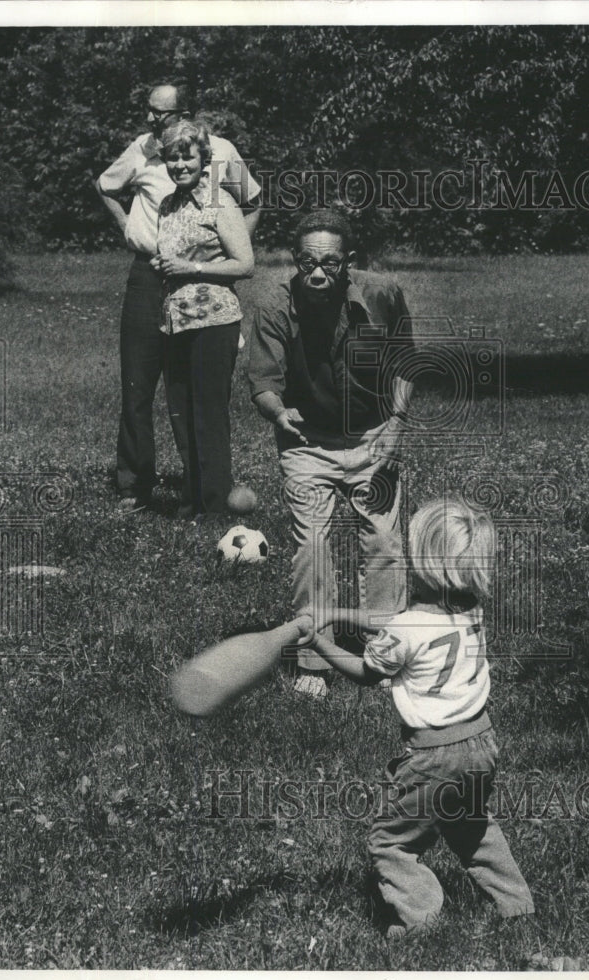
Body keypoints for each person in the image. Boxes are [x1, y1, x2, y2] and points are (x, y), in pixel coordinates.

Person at [303, 498, 535, 937]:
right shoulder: (471, 609)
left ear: (422, 562)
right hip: (481, 743)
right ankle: (516, 905)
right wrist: (335, 614)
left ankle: (421, 921)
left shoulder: (405, 630)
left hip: (433, 755)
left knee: (390, 842)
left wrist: (321, 644)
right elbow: (395, 622)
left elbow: (368, 672)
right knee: (471, 826)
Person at [248, 209, 415, 697]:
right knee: (313, 545)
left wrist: (396, 425)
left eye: (329, 263)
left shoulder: (382, 294)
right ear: (295, 262)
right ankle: (312, 661)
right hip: (306, 442)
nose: (317, 274)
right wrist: (278, 413)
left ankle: (386, 653)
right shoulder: (275, 304)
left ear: (350, 262)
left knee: (384, 542)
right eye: (306, 263)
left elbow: (406, 363)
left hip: (373, 435)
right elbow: (262, 382)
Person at [95, 82, 261, 512]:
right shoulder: (141, 148)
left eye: (161, 113)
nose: (152, 120)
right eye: (149, 111)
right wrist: (132, 230)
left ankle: (202, 487)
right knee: (139, 382)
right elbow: (105, 186)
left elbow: (255, 202)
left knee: (195, 389)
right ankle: (134, 484)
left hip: (203, 280)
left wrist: (222, 252)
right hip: (150, 276)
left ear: (187, 113)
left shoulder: (221, 150)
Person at [152, 119, 254, 519]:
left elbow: (245, 264)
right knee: (181, 412)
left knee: (208, 414)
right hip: (175, 322)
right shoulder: (168, 205)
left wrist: (189, 269)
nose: (179, 165)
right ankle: (191, 498)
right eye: (172, 157)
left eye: (187, 156)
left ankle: (215, 506)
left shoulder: (218, 201)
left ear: (203, 158)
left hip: (213, 322)